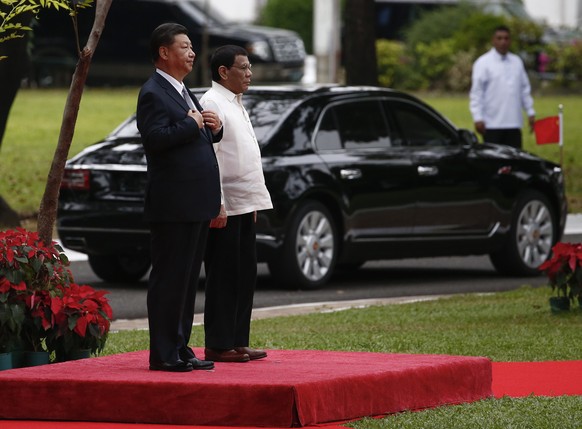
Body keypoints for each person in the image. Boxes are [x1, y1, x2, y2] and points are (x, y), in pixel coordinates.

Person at [136, 23, 223, 372]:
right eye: (184, 47)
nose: (191, 53)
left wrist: (213, 128)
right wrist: (192, 124)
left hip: (195, 201)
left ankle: (181, 346)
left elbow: (194, 132)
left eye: (191, 47)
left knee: (187, 281)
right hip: (173, 203)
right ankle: (163, 354)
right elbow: (155, 140)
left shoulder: (183, 89)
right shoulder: (153, 92)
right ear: (164, 52)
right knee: (170, 278)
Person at [200, 45, 273, 363]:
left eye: (250, 67)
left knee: (244, 273)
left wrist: (253, 200)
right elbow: (210, 157)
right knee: (224, 274)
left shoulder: (237, 102)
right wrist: (217, 203)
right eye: (243, 68)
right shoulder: (212, 101)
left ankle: (237, 339)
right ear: (223, 72)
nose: (249, 74)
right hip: (225, 205)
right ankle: (218, 343)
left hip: (244, 202)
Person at [469, 25, 535, 149]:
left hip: (513, 123)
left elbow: (524, 89)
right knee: (494, 162)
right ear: (493, 40)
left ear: (510, 40)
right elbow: (477, 93)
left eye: (506, 38)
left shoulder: (516, 62)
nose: (503, 42)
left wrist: (530, 111)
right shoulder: (483, 63)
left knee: (514, 161)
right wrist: (478, 117)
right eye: (499, 38)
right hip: (492, 124)